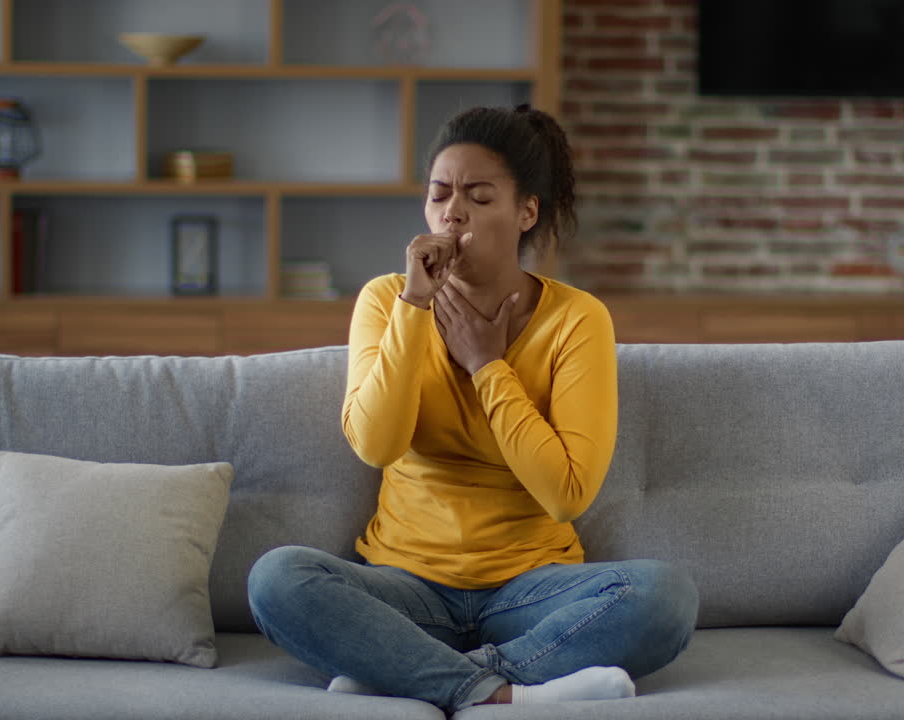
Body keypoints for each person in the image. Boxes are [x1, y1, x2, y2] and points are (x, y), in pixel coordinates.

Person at [247, 104, 698, 713]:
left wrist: (488, 367)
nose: (451, 212)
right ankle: (508, 692)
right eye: (439, 195)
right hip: (405, 587)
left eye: (479, 197)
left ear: (526, 212)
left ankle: (411, 672)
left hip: (529, 591)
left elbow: (567, 494)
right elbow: (376, 445)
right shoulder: (386, 300)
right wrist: (414, 306)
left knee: (665, 597)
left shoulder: (576, 319)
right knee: (276, 580)